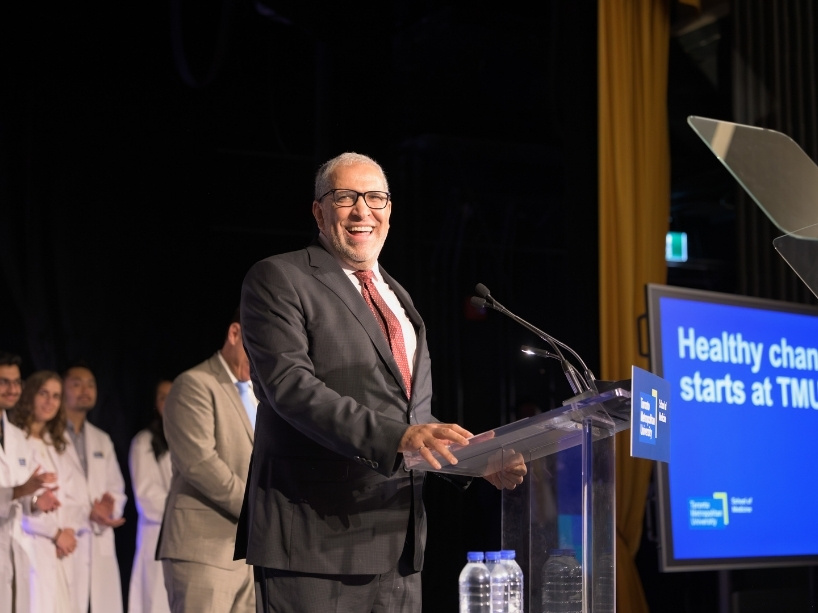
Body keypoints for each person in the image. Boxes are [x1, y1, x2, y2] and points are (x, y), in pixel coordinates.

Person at [235, 152, 526, 612]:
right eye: (345, 197)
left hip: (398, 546)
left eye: (375, 197)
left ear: (389, 210)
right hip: (314, 542)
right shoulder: (279, 278)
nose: (362, 210)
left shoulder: (399, 299)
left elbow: (415, 421)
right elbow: (289, 387)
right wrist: (401, 435)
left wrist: (474, 460)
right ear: (318, 210)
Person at [158, 310, 256, 613]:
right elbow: (200, 463)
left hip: (251, 555)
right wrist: (260, 509)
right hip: (203, 548)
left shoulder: (260, 396)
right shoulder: (194, 384)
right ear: (235, 334)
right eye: (260, 343)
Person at [10, 370, 86, 613]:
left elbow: (77, 494)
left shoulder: (58, 443)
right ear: (29, 394)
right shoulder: (15, 440)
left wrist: (68, 531)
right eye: (43, 393)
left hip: (63, 547)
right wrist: (54, 532)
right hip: (33, 544)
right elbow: (17, 499)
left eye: (56, 396)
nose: (49, 401)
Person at [61, 364, 127, 613]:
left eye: (90, 384)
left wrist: (108, 509)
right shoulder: (49, 436)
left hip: (99, 537)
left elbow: (116, 488)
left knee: (102, 603)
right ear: (63, 388)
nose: (85, 390)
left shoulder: (102, 439)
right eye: (76, 383)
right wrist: (86, 512)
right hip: (67, 538)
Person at [0, 353, 60, 613]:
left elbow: (21, 498)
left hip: (16, 548)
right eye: (4, 381)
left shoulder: (15, 436)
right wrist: (22, 490)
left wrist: (36, 501)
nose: (13, 389)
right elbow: (15, 490)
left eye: (17, 382)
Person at [128, 379, 173, 613]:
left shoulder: (188, 439)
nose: (170, 401)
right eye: (163, 396)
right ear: (155, 403)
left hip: (185, 538)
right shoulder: (144, 442)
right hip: (157, 537)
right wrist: (187, 510)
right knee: (155, 601)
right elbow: (148, 498)